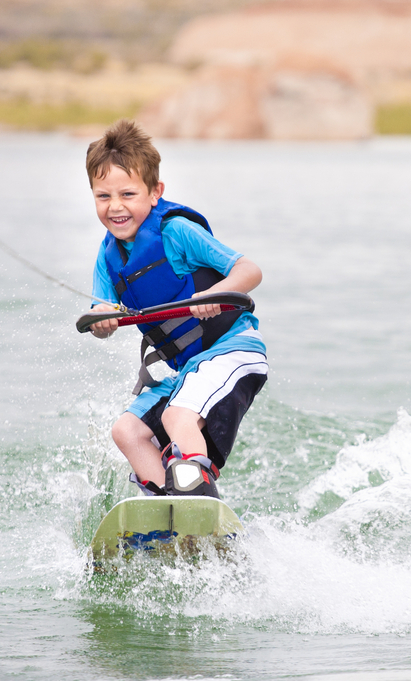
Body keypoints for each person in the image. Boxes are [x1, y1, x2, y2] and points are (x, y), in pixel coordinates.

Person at [84, 119, 268, 498]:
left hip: (233, 351)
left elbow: (250, 270)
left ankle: (198, 501)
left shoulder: (176, 232)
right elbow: (101, 306)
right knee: (127, 431)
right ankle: (168, 506)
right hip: (186, 370)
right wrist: (102, 322)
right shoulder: (108, 259)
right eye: (103, 197)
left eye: (128, 194)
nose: (115, 207)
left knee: (176, 415)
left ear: (155, 193)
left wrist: (213, 294)